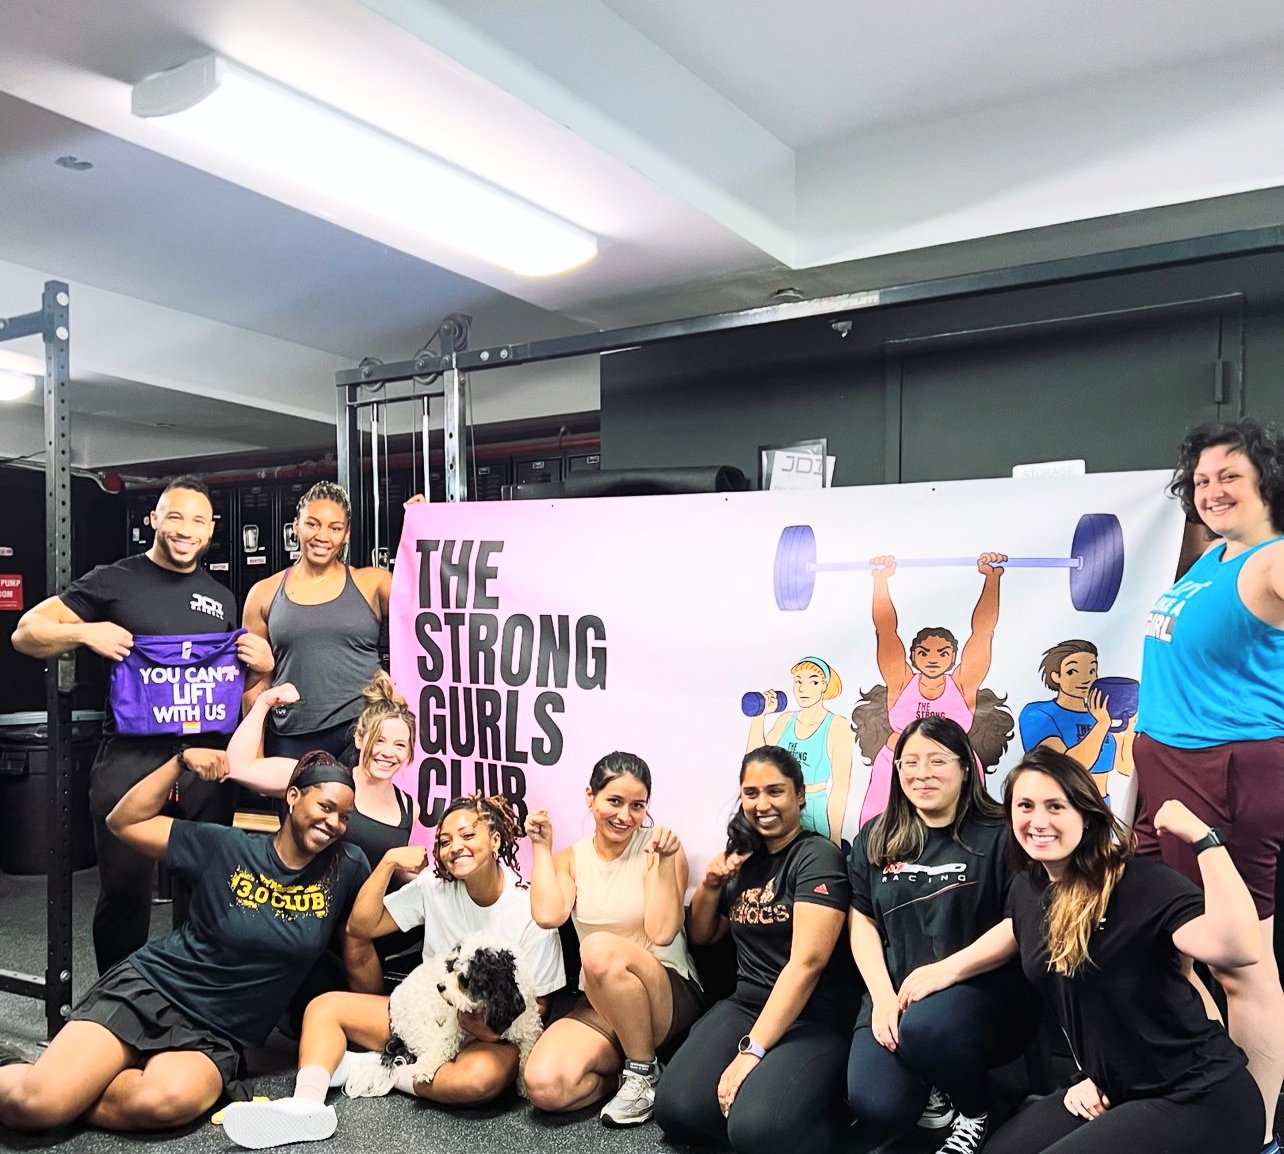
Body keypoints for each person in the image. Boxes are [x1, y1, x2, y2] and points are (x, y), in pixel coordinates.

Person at [896, 748, 1265, 1154]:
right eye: (1025, 806)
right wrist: (946, 970)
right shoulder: (1029, 890)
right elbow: (1018, 931)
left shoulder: (1141, 884)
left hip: (1198, 1095)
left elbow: (1239, 948)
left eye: (1055, 806)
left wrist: (1203, 839)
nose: (1038, 821)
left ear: (1086, 815)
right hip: (1115, 1089)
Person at [0, 748, 369, 1134]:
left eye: (344, 817)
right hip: (155, 989)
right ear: (293, 797)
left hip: (217, 1034)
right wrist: (179, 763)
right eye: (326, 807)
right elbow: (123, 822)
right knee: (36, 1106)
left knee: (165, 1102)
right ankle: (36, 1079)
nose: (334, 823)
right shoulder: (227, 848)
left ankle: (71, 1087)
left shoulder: (346, 867)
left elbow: (360, 947)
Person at [10, 475, 274, 973]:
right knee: (124, 891)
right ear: (154, 519)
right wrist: (87, 633)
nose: (185, 529)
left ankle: (191, 992)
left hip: (205, 763)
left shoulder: (220, 597)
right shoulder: (114, 579)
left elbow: (234, 694)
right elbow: (26, 633)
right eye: (174, 516)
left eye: (197, 520)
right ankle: (118, 997)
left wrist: (263, 669)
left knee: (204, 889)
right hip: (130, 760)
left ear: (211, 529)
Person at [220, 794, 565, 1149]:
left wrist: (484, 1028)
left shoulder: (529, 905)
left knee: (479, 1080)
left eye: (467, 836)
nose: (455, 848)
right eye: (445, 841)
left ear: (494, 840)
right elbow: (361, 925)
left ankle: (383, 1071)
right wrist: (387, 863)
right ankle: (306, 1107)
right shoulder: (434, 886)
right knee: (324, 1008)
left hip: (486, 1031)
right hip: (425, 1012)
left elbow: (540, 1005)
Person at [1131, 418, 1284, 1151]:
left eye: (1230, 476)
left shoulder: (1272, 559)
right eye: (1201, 480)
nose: (1212, 490)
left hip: (1228, 772)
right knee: (1166, 941)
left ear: (1267, 482)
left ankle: (1256, 1133)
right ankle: (1198, 1092)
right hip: (1167, 769)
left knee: (1242, 962)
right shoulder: (1214, 558)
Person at [654, 746, 858, 1154]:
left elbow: (808, 963)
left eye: (775, 791)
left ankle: (832, 1115)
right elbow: (704, 935)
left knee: (755, 1131)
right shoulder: (744, 857)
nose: (762, 804)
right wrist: (711, 883)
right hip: (747, 1003)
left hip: (814, 1014)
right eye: (751, 793)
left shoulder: (818, 856)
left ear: (799, 795)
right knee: (676, 1110)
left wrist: (752, 1051)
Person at [846, 716, 1035, 1154]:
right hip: (897, 993)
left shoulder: (1002, 833)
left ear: (965, 768)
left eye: (936, 760)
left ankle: (976, 1109)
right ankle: (938, 1075)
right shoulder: (877, 835)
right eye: (910, 762)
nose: (921, 773)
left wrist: (944, 972)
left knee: (929, 1028)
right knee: (877, 1103)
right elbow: (862, 920)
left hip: (981, 991)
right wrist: (881, 996)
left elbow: (1018, 923)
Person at [522, 751, 703, 1127]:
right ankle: (627, 1077)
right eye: (615, 801)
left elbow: (662, 932)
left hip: (666, 993)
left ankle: (643, 1074)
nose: (625, 815)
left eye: (637, 806)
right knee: (544, 1086)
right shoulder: (571, 859)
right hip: (603, 999)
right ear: (591, 797)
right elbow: (548, 916)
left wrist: (666, 862)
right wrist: (540, 847)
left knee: (597, 948)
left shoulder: (658, 848)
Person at [226, 670, 421, 990]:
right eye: (379, 740)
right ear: (360, 739)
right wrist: (263, 703)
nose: (389, 752)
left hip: (363, 925)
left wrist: (425, 878)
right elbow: (240, 767)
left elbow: (383, 866)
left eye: (400, 744)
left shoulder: (408, 806)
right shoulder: (325, 779)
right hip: (310, 917)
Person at [851, 553, 1013, 826]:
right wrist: (881, 581)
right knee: (880, 838)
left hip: (953, 769)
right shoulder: (901, 681)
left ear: (953, 657)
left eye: (943, 652)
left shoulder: (962, 684)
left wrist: (992, 579)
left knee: (965, 836)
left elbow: (983, 632)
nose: (934, 659)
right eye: (924, 653)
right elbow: (886, 631)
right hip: (896, 766)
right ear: (913, 656)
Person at [242, 481, 390, 762]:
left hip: (361, 728)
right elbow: (256, 681)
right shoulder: (263, 593)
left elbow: (427, 605)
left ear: (346, 534)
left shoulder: (373, 583)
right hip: (291, 734)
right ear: (295, 526)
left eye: (335, 528)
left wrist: (424, 528)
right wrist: (254, 755)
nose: (322, 536)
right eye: (312, 524)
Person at [746, 657, 856, 843]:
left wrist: (835, 837)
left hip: (813, 813)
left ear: (824, 686)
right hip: (779, 809)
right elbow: (755, 761)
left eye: (813, 682)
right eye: (798, 681)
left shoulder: (838, 726)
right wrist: (760, 715)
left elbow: (840, 787)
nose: (803, 689)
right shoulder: (785, 720)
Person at [1018, 640, 1134, 798]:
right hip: (1062, 804)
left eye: (1091, 671)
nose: (1085, 679)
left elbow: (1126, 767)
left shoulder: (1103, 714)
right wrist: (1101, 725)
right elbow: (1066, 768)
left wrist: (1132, 725)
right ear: (1056, 676)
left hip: (1101, 807)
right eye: (1072, 672)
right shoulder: (1038, 714)